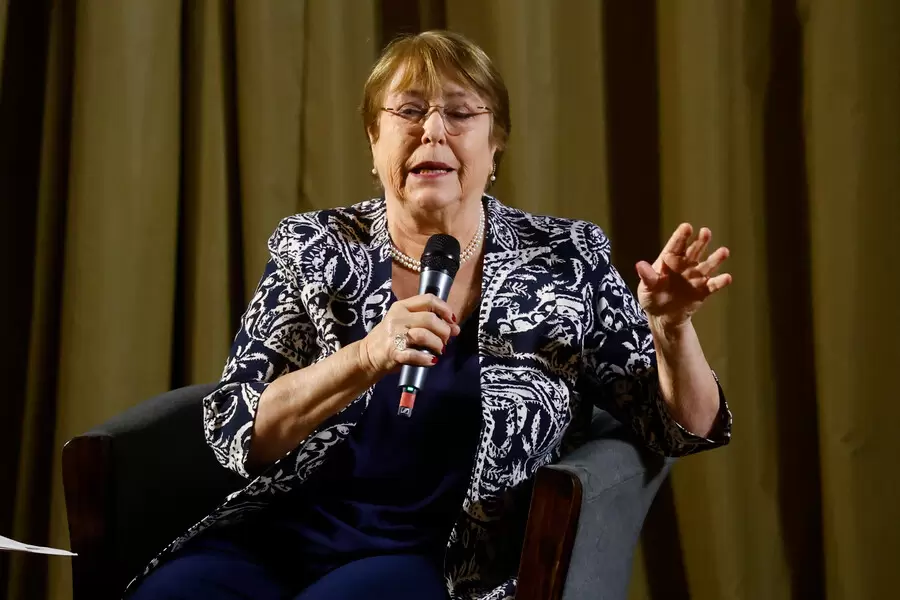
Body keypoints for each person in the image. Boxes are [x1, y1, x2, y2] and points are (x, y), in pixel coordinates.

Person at [125, 30, 732, 600]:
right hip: (282, 532)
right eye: (410, 111)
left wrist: (671, 329)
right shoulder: (314, 247)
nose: (433, 131)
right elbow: (239, 428)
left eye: (461, 114)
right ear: (374, 141)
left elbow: (681, 428)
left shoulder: (565, 258)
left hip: (435, 555)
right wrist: (365, 356)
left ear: (494, 145)